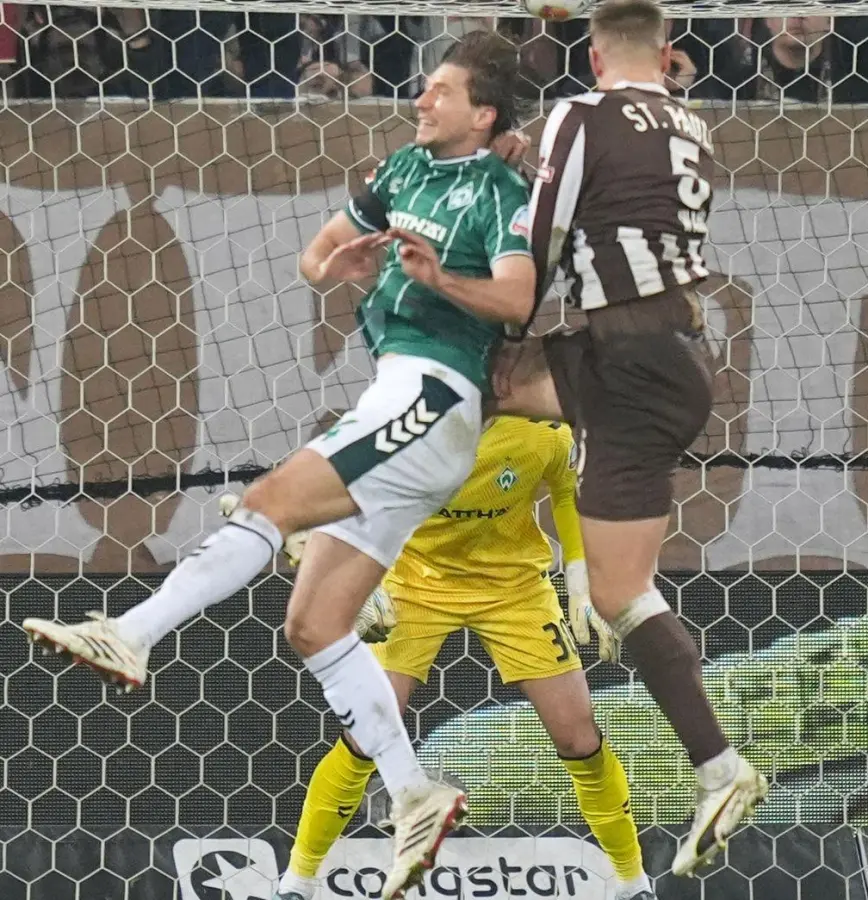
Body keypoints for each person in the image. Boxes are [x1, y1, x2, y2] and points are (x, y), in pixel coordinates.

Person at [24, 30, 537, 900]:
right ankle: (414, 792)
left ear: (483, 114)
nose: (420, 101)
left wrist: (439, 279)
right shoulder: (398, 174)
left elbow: (519, 300)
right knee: (313, 626)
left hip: (439, 393)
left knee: (267, 501)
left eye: (440, 93)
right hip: (396, 395)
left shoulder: (502, 190)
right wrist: (333, 265)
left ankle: (134, 633)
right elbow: (317, 253)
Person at [487, 0, 766, 876]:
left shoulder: (581, 111)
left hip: (631, 357)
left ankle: (722, 764)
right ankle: (718, 766)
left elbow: (545, 228)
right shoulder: (689, 122)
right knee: (482, 392)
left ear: (597, 58)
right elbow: (620, 193)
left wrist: (509, 309)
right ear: (669, 54)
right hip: (661, 355)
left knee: (619, 589)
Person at [272, 417, 656, 900]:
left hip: (515, 589)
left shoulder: (542, 432)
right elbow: (344, 492)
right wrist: (343, 566)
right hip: (413, 583)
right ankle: (298, 882)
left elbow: (565, 488)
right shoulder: (404, 426)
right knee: (365, 733)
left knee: (579, 734)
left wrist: (580, 579)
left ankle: (633, 882)